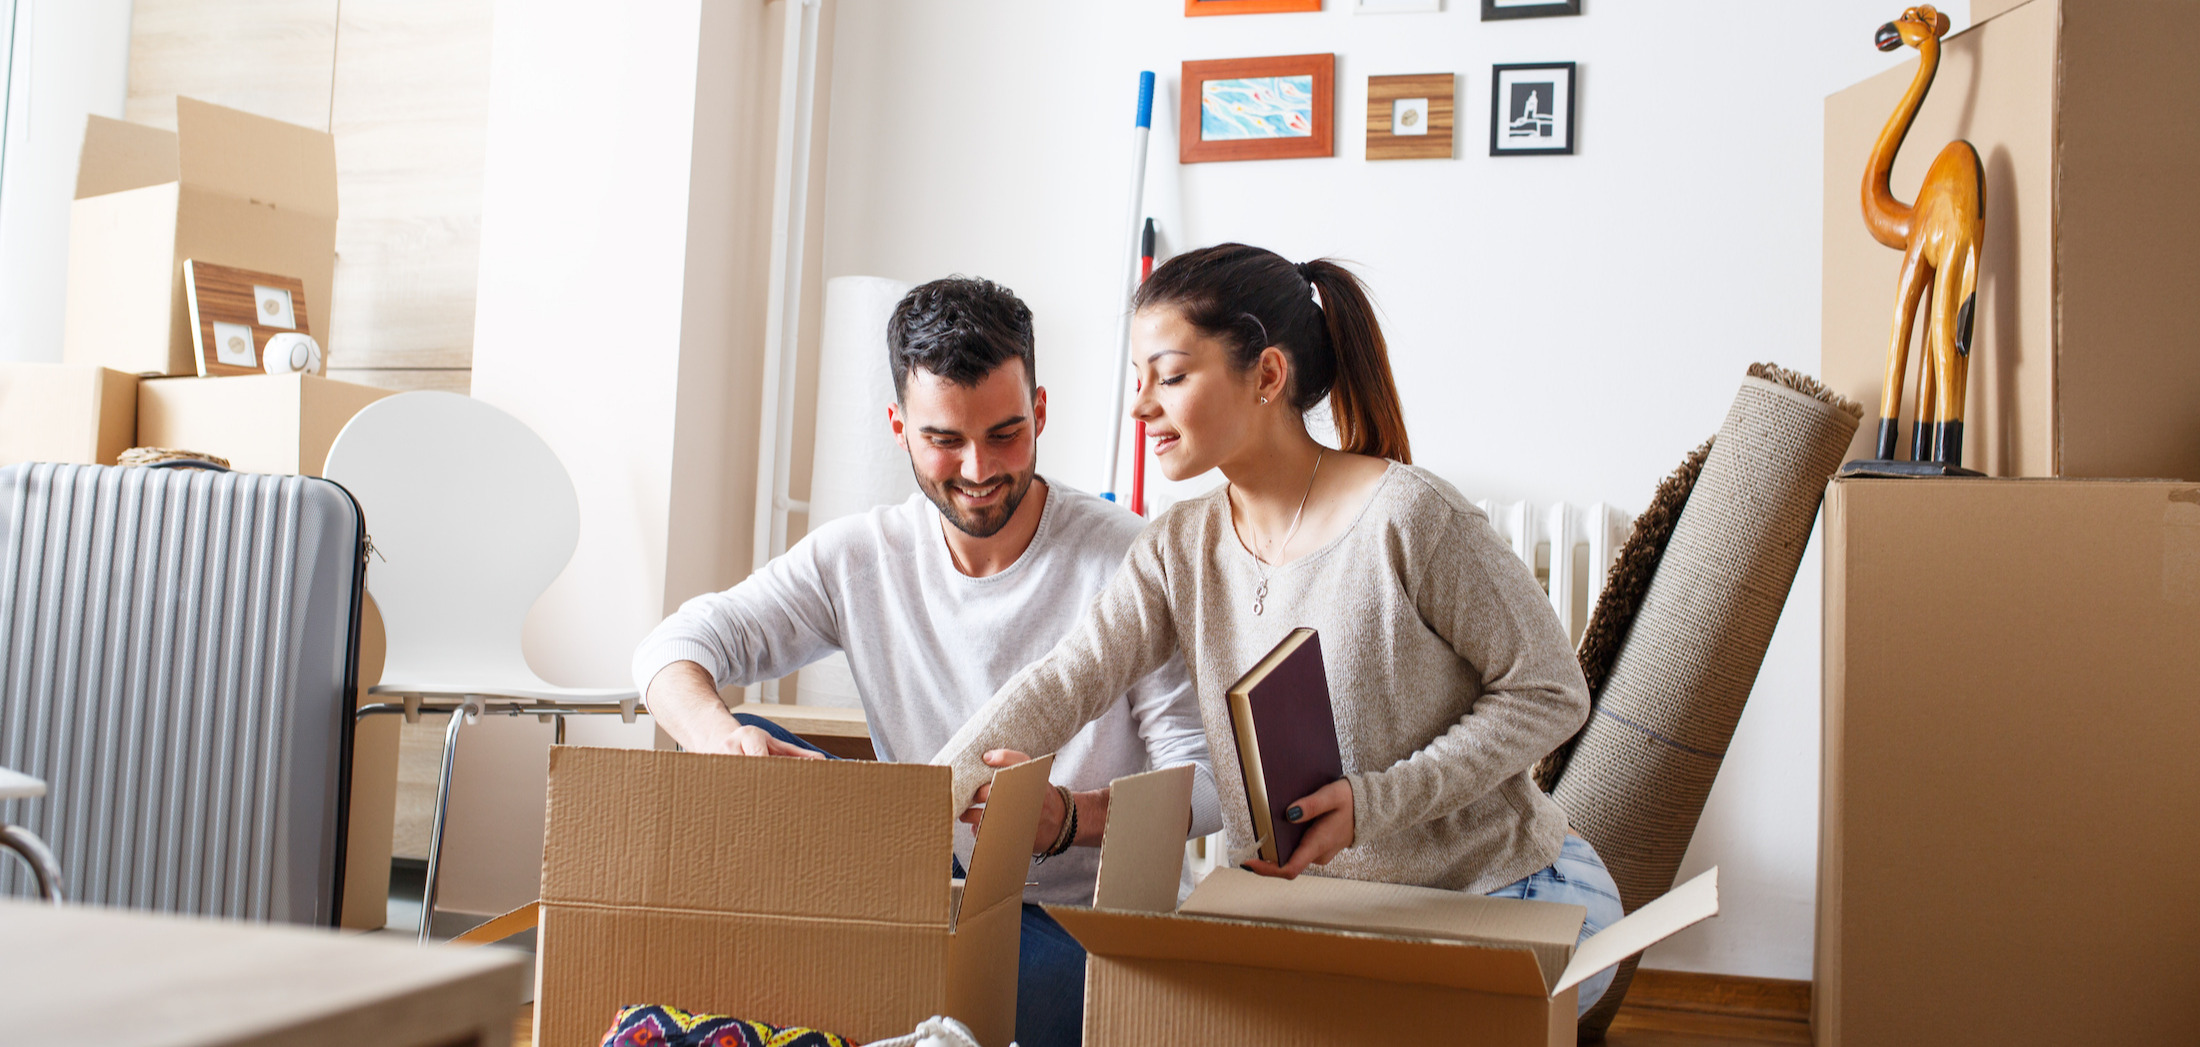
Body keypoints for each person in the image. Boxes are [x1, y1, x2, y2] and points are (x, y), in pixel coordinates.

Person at [933, 244, 1626, 1014]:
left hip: (1503, 894)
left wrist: (1374, 801)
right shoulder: (1178, 547)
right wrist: (925, 801)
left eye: (1169, 375)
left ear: (1267, 376)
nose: (1140, 405)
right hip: (1312, 918)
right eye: (1138, 380)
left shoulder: (1410, 517)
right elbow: (1069, 677)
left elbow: (1552, 692)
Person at [632, 276, 1221, 1047]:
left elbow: (1209, 786)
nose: (978, 468)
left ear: (1040, 411)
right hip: (915, 892)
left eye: (1006, 433)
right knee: (738, 731)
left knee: (910, 994)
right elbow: (670, 648)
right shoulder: (861, 555)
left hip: (1076, 922)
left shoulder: (1134, 557)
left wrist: (1072, 817)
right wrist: (717, 737)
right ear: (899, 428)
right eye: (945, 439)